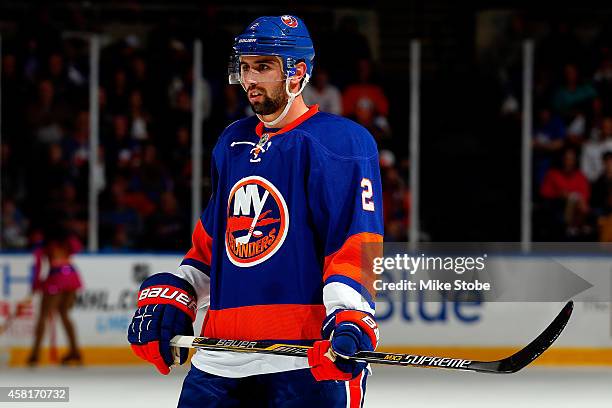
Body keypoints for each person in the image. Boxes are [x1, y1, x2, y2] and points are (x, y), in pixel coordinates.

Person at [127, 15, 383, 407]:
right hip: (221, 356)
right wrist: (179, 291)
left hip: (303, 357)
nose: (250, 79)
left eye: (263, 67)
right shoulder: (232, 140)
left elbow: (355, 242)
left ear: (297, 72)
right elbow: (214, 245)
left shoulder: (341, 141)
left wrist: (351, 314)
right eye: (245, 67)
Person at [27, 222, 83, 366]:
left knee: (43, 315)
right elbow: (77, 247)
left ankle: (35, 354)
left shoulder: (44, 244)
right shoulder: (66, 241)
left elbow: (38, 266)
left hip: (56, 279)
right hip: (72, 276)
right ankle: (75, 351)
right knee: (64, 314)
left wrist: (36, 286)